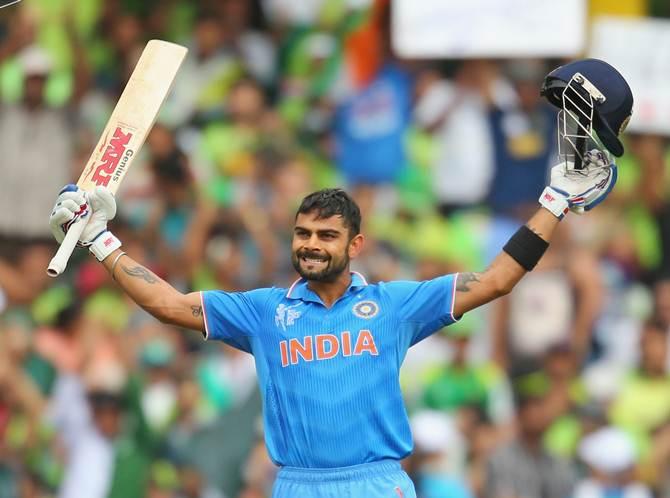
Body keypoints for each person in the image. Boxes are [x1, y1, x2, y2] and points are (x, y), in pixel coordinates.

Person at [47, 60, 627, 497]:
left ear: (355, 244)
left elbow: (497, 280)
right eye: (303, 234)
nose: (311, 245)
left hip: (377, 483)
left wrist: (554, 201)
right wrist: (101, 241)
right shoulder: (265, 311)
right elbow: (169, 304)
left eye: (326, 236)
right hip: (297, 484)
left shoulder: (394, 305)